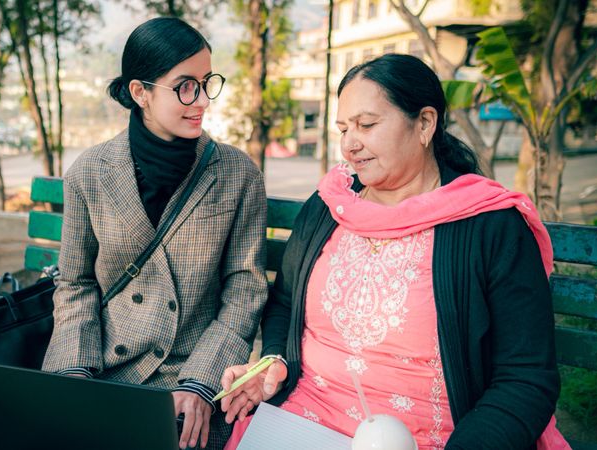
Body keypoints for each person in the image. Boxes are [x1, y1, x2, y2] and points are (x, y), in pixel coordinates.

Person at [219, 54, 569, 450]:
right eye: (343, 128)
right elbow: (284, 301)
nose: (350, 144)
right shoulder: (329, 206)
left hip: (436, 438)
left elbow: (526, 377)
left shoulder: (489, 224)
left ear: (424, 123)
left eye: (366, 125)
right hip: (306, 421)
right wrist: (275, 361)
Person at [41, 17, 268, 450]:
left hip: (195, 375)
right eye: (185, 86)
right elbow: (75, 283)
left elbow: (245, 289)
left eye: (207, 83)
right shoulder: (90, 172)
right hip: (105, 369)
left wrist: (202, 384)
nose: (201, 100)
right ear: (140, 92)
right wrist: (74, 374)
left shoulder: (238, 173)